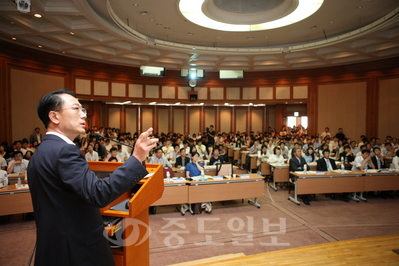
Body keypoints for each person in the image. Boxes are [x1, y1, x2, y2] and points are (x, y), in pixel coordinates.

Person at [27, 89, 157, 265]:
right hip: (77, 249)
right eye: (76, 109)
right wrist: (136, 159)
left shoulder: (43, 151)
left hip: (56, 243)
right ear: (54, 117)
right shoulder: (65, 151)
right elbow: (98, 194)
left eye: (83, 110)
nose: (83, 115)